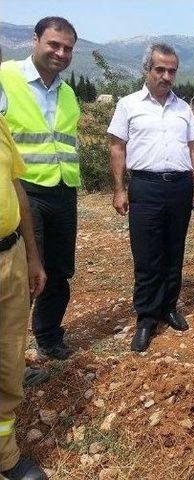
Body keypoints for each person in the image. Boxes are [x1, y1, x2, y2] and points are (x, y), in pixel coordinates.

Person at [107, 43, 194, 352]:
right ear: (146, 70)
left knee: (174, 251)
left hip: (179, 187)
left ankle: (169, 307)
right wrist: (120, 189)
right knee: (147, 255)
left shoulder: (183, 108)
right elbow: (117, 147)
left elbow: (193, 149)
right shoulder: (128, 104)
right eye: (160, 69)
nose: (166, 76)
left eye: (171, 70)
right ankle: (147, 317)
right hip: (145, 187)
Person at [0, 17, 80, 361]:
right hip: (24, 190)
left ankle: (48, 335)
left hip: (63, 190)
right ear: (35, 40)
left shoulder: (67, 91)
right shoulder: (6, 77)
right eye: (54, 45)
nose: (61, 53)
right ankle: (12, 355)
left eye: (67, 49)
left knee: (60, 269)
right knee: (25, 272)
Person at [0, 113, 48, 479]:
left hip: (10, 253)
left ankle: (5, 455)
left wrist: (32, 255)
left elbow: (16, 187)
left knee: (10, 353)